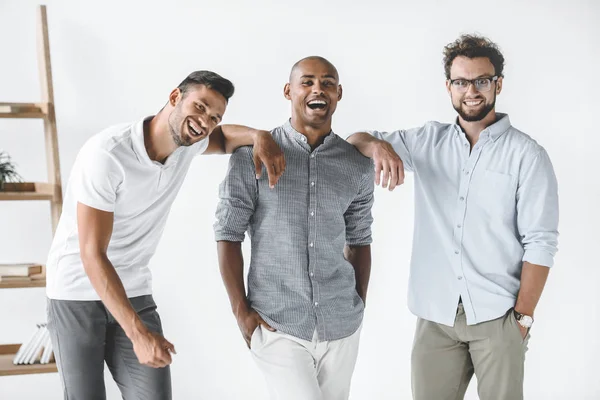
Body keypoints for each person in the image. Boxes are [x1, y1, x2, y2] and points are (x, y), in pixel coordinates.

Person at [45, 70, 285, 400]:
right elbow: (92, 254)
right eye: (200, 107)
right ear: (175, 97)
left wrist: (260, 135)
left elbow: (226, 138)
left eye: (213, 116)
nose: (205, 122)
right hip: (76, 293)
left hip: (134, 288)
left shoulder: (189, 144)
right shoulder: (107, 155)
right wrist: (137, 333)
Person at [347, 34, 559, 400]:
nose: (471, 90)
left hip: (498, 316)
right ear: (449, 86)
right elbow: (354, 142)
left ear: (498, 84)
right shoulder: (428, 141)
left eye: (482, 80)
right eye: (461, 81)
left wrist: (521, 320)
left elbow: (541, 242)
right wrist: (379, 145)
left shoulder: (528, 155)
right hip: (435, 317)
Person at [214, 56, 374, 400]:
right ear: (289, 91)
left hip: (341, 325)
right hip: (277, 324)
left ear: (339, 93)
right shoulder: (250, 156)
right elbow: (228, 233)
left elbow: (360, 239)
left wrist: (357, 303)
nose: (319, 89)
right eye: (308, 82)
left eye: (328, 83)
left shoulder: (356, 166)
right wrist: (240, 310)